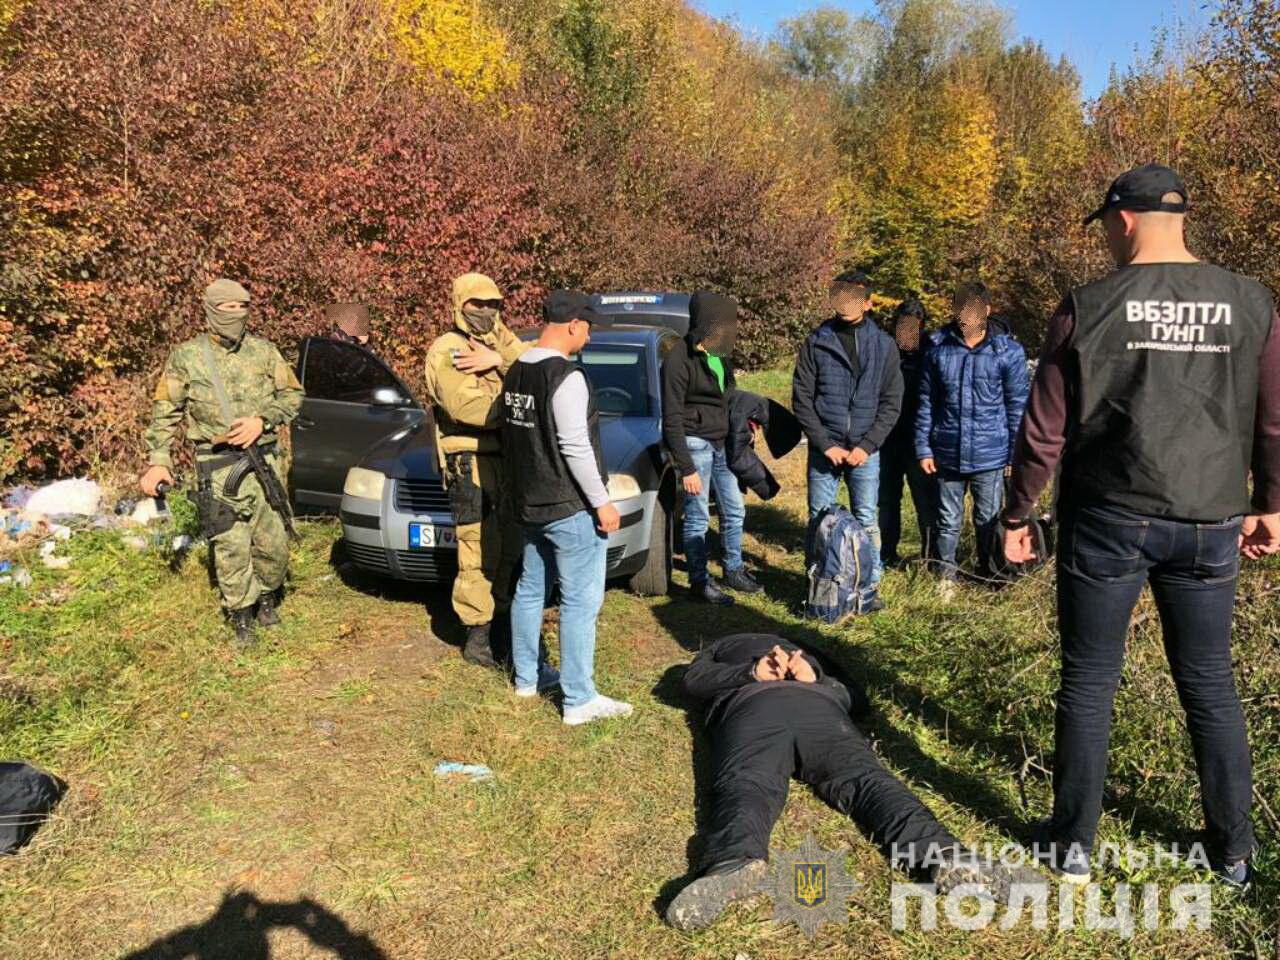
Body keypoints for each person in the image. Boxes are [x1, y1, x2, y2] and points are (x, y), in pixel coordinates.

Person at [1003, 164, 1280, 888]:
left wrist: (1018, 513)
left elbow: (1043, 433)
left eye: (1106, 231)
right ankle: (1233, 853)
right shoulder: (1252, 302)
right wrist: (1271, 503)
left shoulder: (1089, 305)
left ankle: (1071, 848)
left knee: (1090, 679)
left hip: (1108, 519)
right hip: (1211, 518)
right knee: (1211, 683)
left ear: (1122, 222)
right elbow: (1274, 420)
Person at [664, 632, 1041, 930]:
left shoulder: (807, 653)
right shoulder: (723, 647)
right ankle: (733, 865)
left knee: (764, 781)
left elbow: (857, 699)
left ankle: (734, 861)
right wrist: (751, 673)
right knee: (777, 781)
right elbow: (693, 682)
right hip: (755, 704)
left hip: (809, 708)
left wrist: (818, 680)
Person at [140, 279, 304, 646]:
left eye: (242, 306)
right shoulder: (186, 357)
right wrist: (159, 460)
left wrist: (263, 419)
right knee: (230, 543)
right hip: (215, 464)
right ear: (210, 309)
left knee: (272, 540)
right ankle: (241, 612)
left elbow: (293, 394)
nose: (235, 314)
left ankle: (267, 595)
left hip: (264, 460)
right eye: (226, 307)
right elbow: (165, 411)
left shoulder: (264, 352)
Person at [501, 290, 633, 726]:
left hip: (528, 503)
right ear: (574, 324)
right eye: (589, 329)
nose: (589, 338)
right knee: (580, 601)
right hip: (568, 506)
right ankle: (578, 700)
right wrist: (602, 502)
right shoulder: (566, 376)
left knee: (530, 590)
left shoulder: (517, 371)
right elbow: (573, 445)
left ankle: (527, 678)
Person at [424, 273, 529, 668]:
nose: (485, 311)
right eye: (477, 304)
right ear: (459, 304)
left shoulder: (500, 340)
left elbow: (538, 367)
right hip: (471, 462)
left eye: (493, 304)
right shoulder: (447, 349)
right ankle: (477, 635)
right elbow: (469, 410)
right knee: (477, 549)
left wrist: (500, 362)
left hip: (509, 462)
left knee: (509, 546)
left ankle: (501, 622)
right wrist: (522, 406)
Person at [792, 270, 902, 594]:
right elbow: (802, 399)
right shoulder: (817, 342)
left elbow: (891, 402)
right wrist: (825, 444)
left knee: (867, 519)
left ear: (867, 303)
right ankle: (819, 587)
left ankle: (868, 588)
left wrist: (867, 446)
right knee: (819, 520)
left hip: (864, 451)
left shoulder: (884, 346)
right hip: (825, 448)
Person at [915, 281, 1029, 595]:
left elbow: (1017, 405)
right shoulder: (938, 347)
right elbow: (926, 401)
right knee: (947, 518)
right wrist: (924, 448)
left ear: (987, 311)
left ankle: (987, 574)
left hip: (991, 454)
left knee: (988, 518)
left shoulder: (1007, 351)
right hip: (947, 451)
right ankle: (945, 577)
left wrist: (1013, 456)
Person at [661, 291, 759, 605]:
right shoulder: (678, 359)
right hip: (695, 444)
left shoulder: (720, 353)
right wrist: (685, 466)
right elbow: (671, 416)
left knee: (734, 508)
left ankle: (733, 569)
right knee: (698, 517)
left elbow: (728, 394)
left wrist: (743, 423)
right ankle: (699, 582)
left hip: (721, 442)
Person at [877, 298, 938, 567]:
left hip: (919, 441)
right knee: (888, 501)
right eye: (902, 326)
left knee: (925, 503)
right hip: (886, 439)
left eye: (913, 326)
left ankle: (930, 556)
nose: (907, 332)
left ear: (922, 327)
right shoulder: (885, 351)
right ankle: (886, 553)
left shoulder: (931, 353)